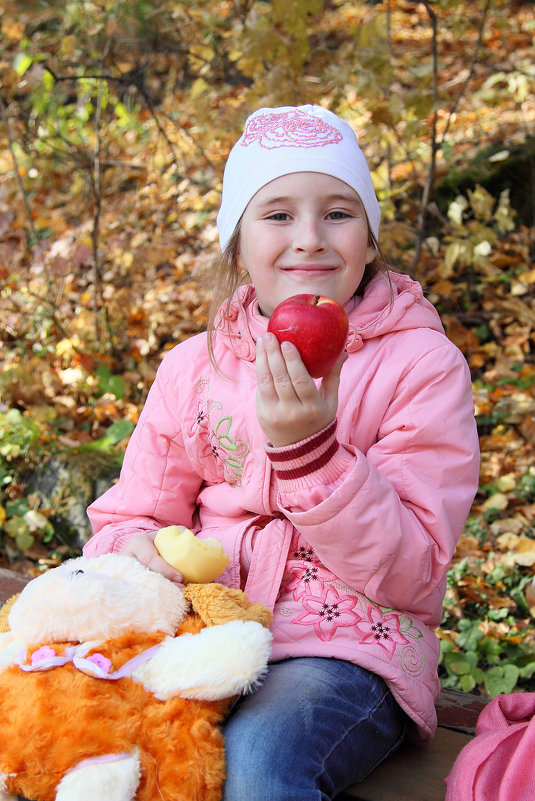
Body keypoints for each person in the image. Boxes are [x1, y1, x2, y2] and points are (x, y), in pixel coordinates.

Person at [84, 104, 480, 800]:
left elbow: (411, 568)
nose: (309, 239)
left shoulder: (422, 365)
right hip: (204, 631)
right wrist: (138, 550)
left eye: (337, 212)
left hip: (346, 650)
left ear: (369, 237)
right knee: (89, 743)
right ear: (238, 244)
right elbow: (128, 516)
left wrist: (312, 453)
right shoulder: (194, 366)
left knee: (257, 764)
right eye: (277, 215)